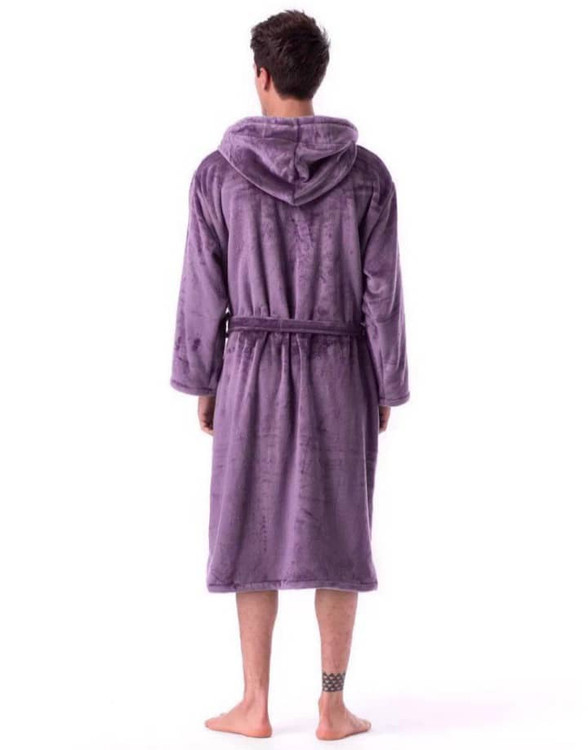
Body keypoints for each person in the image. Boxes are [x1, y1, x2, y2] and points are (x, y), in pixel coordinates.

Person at [170, 9, 410, 741]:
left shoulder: (218, 175)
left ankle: (255, 703)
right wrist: (387, 382)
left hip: (251, 369)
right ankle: (333, 706)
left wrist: (204, 376)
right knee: (340, 531)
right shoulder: (366, 176)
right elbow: (382, 293)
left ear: (262, 75)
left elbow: (202, 288)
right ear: (316, 76)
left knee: (250, 529)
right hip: (341, 367)